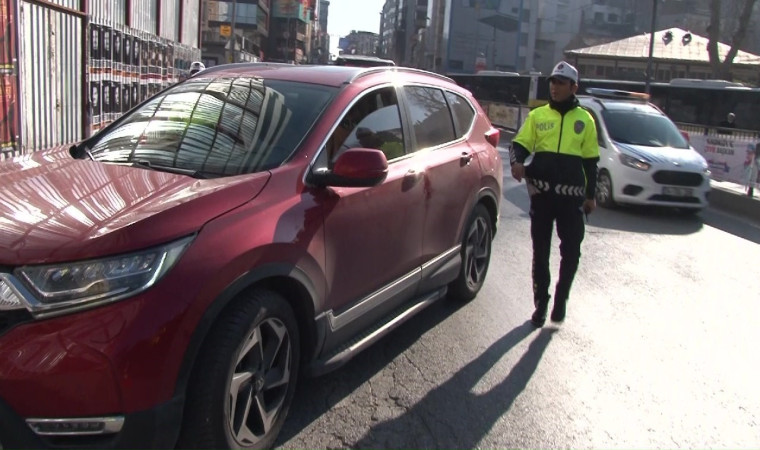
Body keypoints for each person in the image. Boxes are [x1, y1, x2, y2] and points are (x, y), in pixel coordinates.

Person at [509, 61, 600, 327]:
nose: (554, 87)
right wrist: (517, 161)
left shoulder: (585, 120)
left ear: (574, 87)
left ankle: (561, 298)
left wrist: (590, 196)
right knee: (540, 253)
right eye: (553, 82)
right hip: (542, 196)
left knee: (571, 253)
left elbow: (591, 163)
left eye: (561, 83)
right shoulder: (538, 116)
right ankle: (541, 303)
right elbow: (519, 144)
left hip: (571, 200)